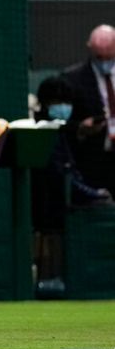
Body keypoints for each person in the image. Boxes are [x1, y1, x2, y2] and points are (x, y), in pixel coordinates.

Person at [30, 75, 113, 296]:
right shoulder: (42, 133)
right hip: (48, 210)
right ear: (45, 104)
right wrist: (94, 194)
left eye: (66, 102)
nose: (63, 107)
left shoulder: (63, 131)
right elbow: (62, 174)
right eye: (57, 102)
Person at [61, 24, 115, 203]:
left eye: (109, 56)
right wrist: (81, 129)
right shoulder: (71, 79)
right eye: (100, 57)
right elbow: (61, 125)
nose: (105, 62)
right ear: (90, 49)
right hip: (91, 163)